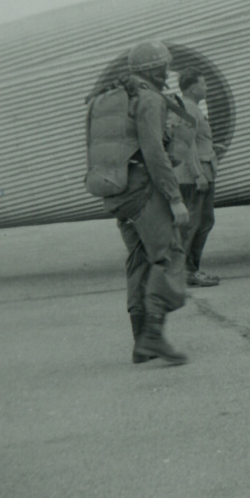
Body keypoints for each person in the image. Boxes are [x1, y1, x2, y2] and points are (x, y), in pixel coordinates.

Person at [84, 40, 190, 365]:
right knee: (169, 256)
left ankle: (139, 343)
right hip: (143, 192)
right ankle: (154, 337)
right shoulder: (149, 99)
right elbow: (154, 153)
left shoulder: (104, 99)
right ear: (156, 69)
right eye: (165, 66)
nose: (168, 71)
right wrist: (174, 199)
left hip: (116, 195)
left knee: (139, 259)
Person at [166, 67, 220, 288]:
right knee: (195, 224)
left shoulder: (190, 109)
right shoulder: (189, 108)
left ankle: (186, 270)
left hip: (196, 173)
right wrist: (198, 174)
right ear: (192, 87)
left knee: (202, 222)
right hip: (193, 177)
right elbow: (186, 145)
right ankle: (188, 271)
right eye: (203, 84)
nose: (206, 87)